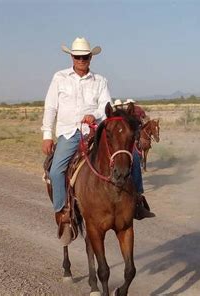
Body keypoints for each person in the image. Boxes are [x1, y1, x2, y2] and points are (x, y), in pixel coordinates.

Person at [41, 38, 150, 238]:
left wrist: (96, 116)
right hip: (69, 132)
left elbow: (105, 106)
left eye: (85, 56)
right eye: (77, 56)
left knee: (130, 156)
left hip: (95, 130)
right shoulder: (60, 78)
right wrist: (47, 135)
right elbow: (51, 107)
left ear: (91, 57)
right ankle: (63, 213)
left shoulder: (100, 81)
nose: (81, 59)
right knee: (56, 171)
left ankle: (137, 201)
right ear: (72, 57)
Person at [123, 99, 155, 218]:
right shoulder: (124, 112)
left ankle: (138, 198)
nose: (129, 105)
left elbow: (145, 118)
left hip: (133, 133)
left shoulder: (131, 111)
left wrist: (142, 123)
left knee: (135, 158)